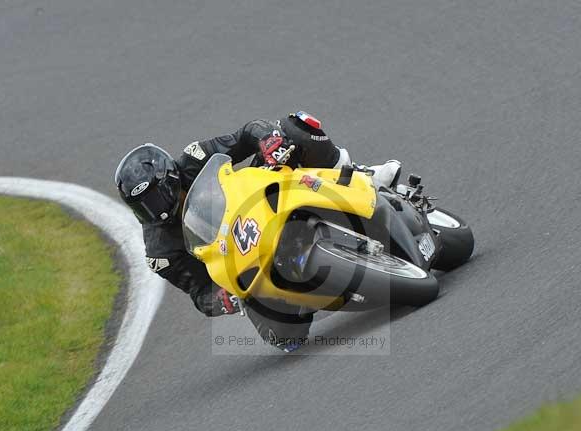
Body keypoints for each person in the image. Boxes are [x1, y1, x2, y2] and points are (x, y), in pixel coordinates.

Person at [113, 111, 400, 352]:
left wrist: (268, 141)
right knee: (284, 336)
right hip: (243, 259)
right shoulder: (159, 252)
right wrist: (221, 300)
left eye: (156, 197)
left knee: (295, 126)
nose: (156, 210)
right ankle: (319, 283)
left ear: (171, 175)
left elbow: (247, 133)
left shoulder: (194, 158)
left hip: (259, 200)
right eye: (144, 207)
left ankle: (363, 176)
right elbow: (200, 291)